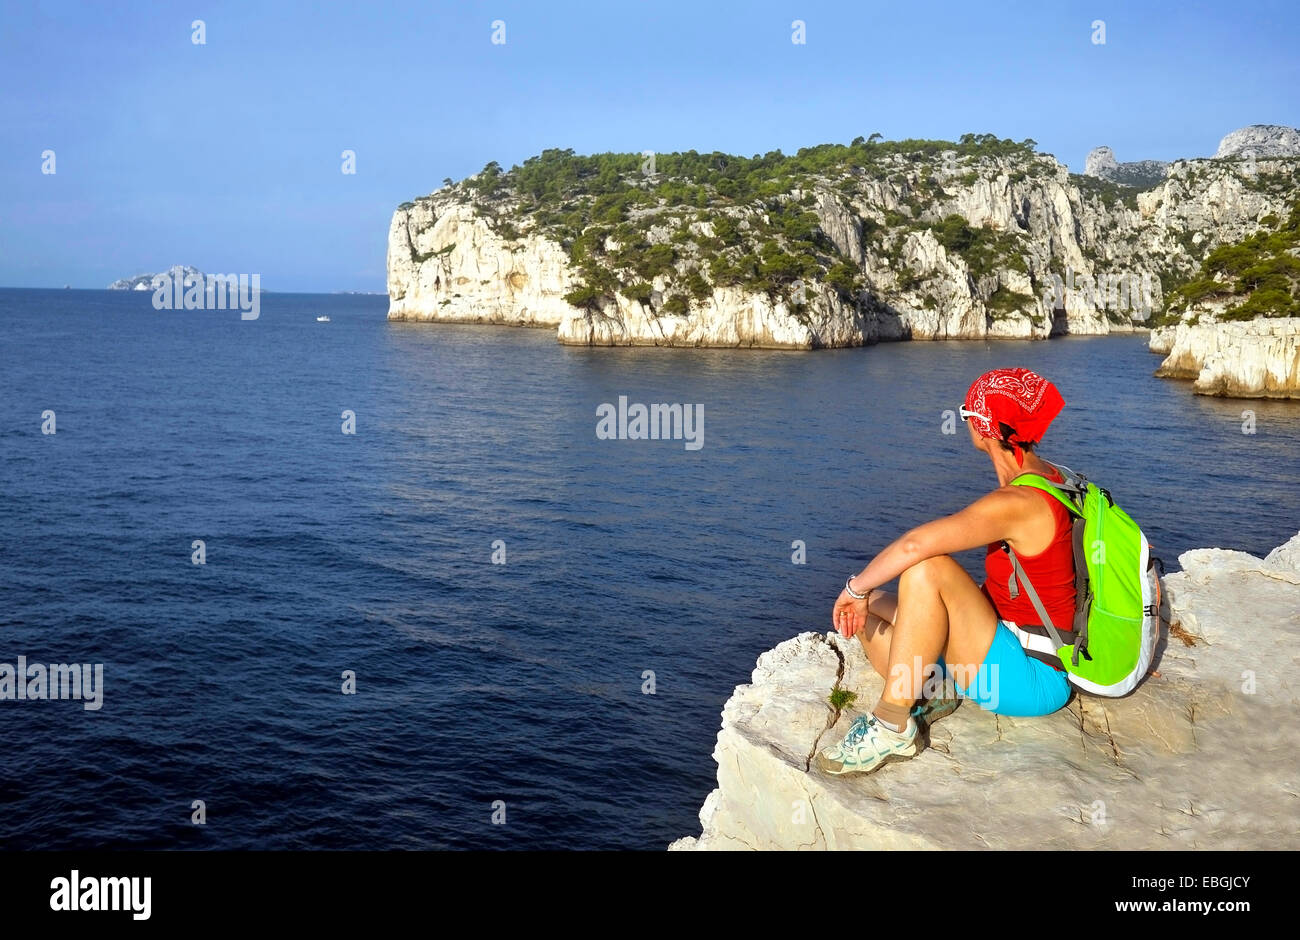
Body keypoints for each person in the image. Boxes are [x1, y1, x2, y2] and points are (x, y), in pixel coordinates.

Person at [817, 367, 1078, 775]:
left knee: (926, 570)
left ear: (984, 426)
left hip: (1032, 678)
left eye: (966, 413)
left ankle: (891, 724)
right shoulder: (1054, 478)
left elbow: (916, 545)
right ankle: (935, 691)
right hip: (1013, 647)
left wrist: (856, 585)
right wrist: (865, 599)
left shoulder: (1019, 503)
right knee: (867, 616)